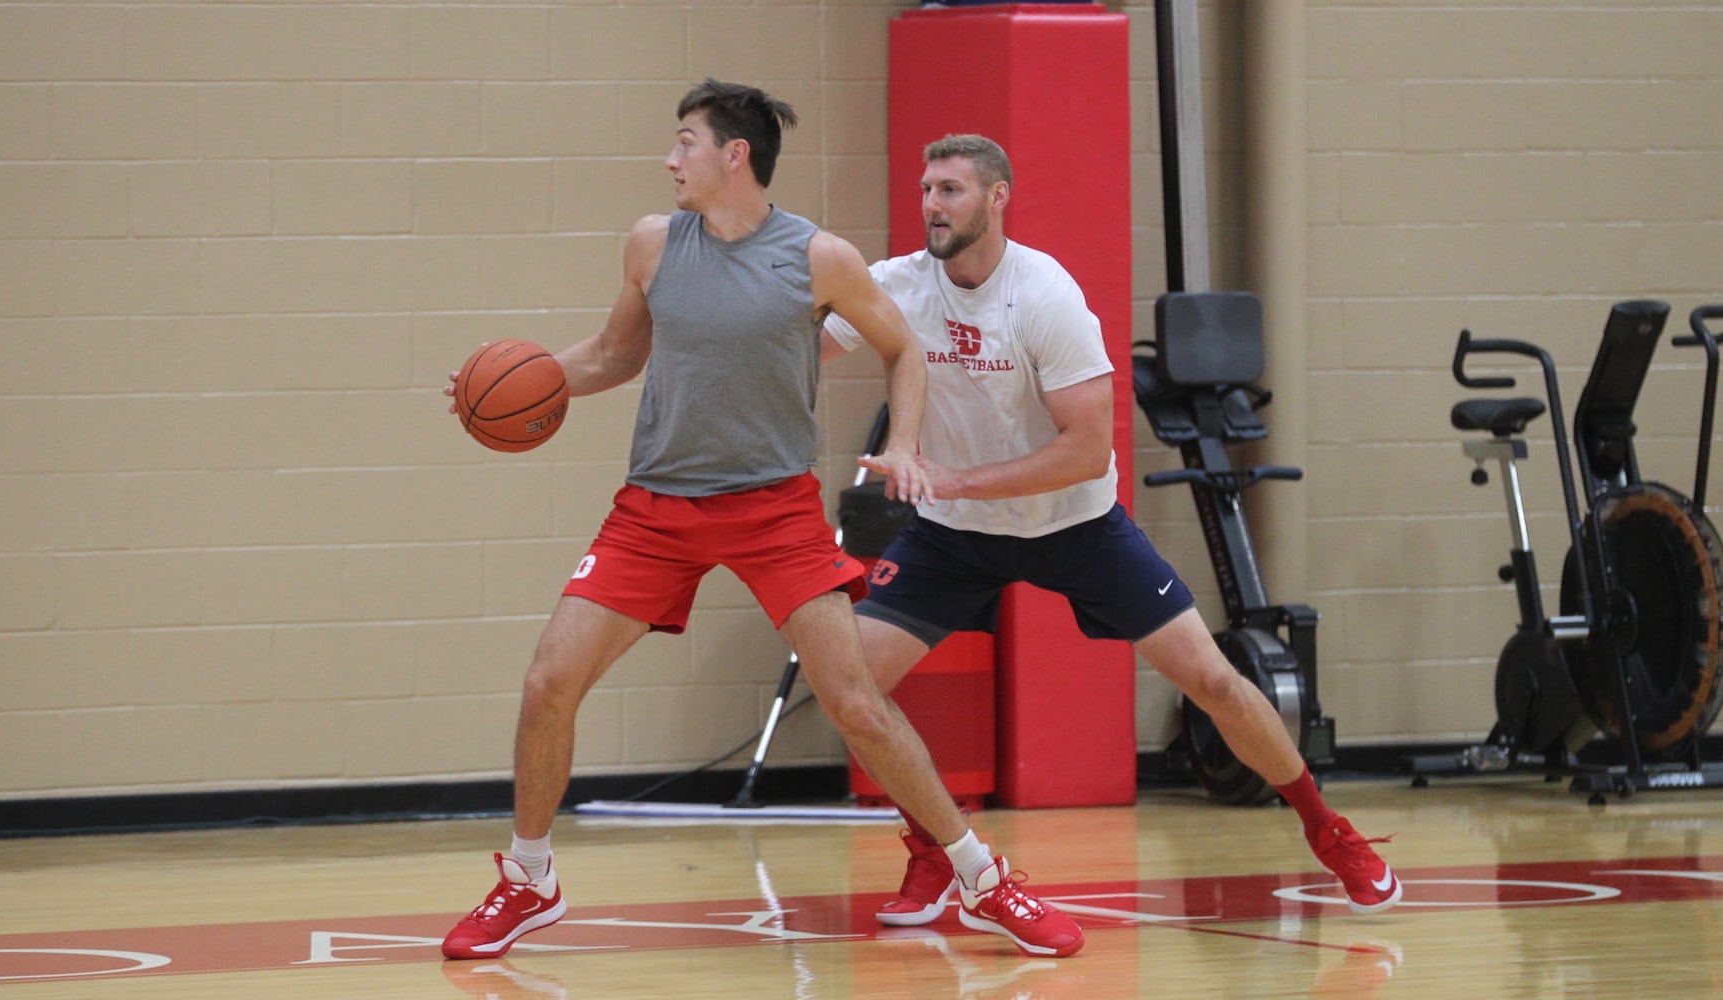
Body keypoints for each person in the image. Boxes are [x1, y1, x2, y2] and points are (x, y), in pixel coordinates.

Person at [439, 84, 1084, 962]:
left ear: (733, 154)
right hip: (656, 505)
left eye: (685, 143)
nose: (671, 160)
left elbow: (900, 349)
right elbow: (613, 355)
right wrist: (517, 382)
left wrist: (901, 444)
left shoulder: (819, 258)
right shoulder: (651, 244)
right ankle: (528, 882)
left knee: (856, 701)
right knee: (549, 681)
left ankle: (982, 879)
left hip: (772, 510)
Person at [822, 134, 1403, 926]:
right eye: (926, 190)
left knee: (1213, 681)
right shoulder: (895, 285)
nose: (931, 206)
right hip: (951, 533)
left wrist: (960, 478)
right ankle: (933, 849)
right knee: (848, 685)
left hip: (1075, 524)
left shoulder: (1044, 295)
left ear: (996, 199)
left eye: (950, 190)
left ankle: (1327, 829)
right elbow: (804, 344)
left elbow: (1085, 448)